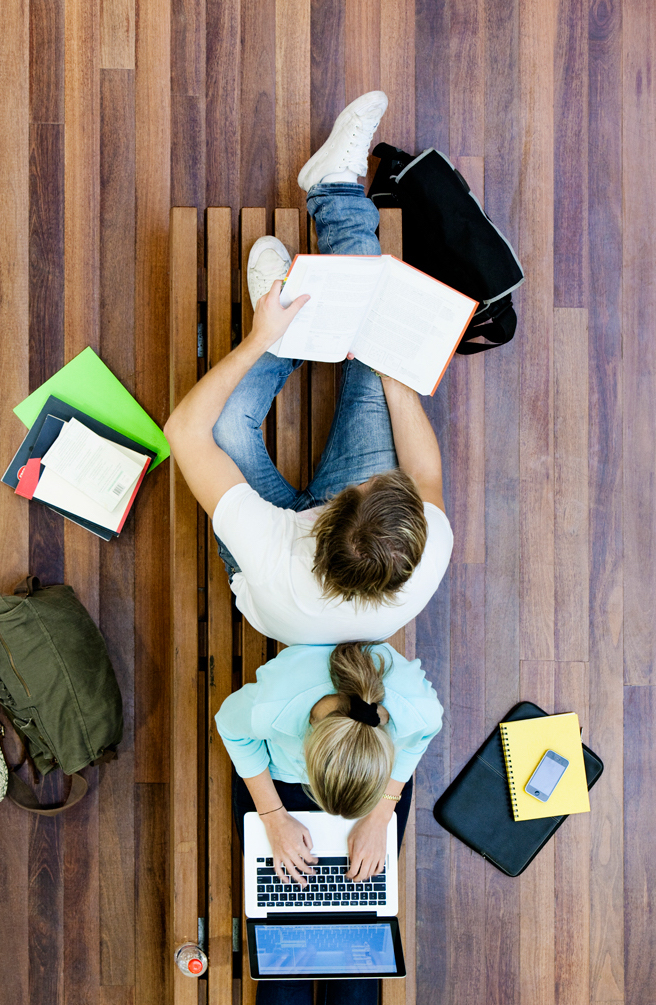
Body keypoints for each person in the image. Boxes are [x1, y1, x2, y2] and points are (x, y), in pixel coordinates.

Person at [164, 90, 454, 647]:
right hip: (342, 548)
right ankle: (335, 187)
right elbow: (429, 479)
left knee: (224, 427)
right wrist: (395, 385)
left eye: (366, 483)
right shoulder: (424, 545)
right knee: (382, 352)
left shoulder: (272, 553)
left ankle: (283, 330)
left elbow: (185, 432)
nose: (372, 472)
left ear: (331, 510)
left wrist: (257, 341)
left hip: (273, 560)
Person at [217, 639, 442, 1005]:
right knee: (285, 952)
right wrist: (274, 816)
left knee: (357, 947)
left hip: (371, 795)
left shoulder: (412, 707)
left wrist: (377, 816)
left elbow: (415, 744)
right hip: (284, 795)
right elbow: (231, 727)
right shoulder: (279, 701)